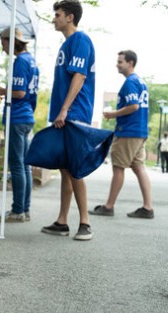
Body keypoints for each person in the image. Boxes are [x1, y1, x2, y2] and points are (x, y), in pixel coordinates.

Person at [41, 0, 95, 241]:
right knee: (65, 170)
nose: (54, 18)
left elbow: (80, 77)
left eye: (57, 14)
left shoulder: (80, 40)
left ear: (70, 17)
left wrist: (65, 110)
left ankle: (85, 223)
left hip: (75, 113)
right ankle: (62, 221)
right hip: (62, 114)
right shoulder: (65, 46)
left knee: (75, 168)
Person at [89, 50, 154, 219]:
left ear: (130, 63)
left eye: (120, 62)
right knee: (139, 167)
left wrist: (113, 114)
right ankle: (148, 207)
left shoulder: (130, 82)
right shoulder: (141, 81)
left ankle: (108, 206)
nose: (117, 64)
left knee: (118, 167)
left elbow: (133, 106)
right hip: (140, 131)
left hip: (128, 132)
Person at [0, 27, 39, 222]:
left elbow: (19, 93)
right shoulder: (32, 61)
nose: (2, 47)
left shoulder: (20, 62)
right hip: (26, 116)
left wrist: (1, 90)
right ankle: (24, 209)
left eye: (3, 43)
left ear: (11, 41)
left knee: (17, 165)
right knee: (24, 165)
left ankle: (18, 210)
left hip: (17, 118)